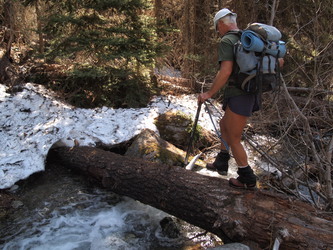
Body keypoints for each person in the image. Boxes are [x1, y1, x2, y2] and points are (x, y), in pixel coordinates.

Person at [198, 8, 258, 189]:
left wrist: (208, 94)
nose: (218, 32)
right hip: (247, 92)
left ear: (222, 23)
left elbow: (225, 71)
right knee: (224, 125)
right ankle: (222, 161)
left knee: (234, 138)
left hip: (240, 94)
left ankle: (247, 178)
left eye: (217, 28)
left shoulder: (228, 40)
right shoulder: (247, 38)